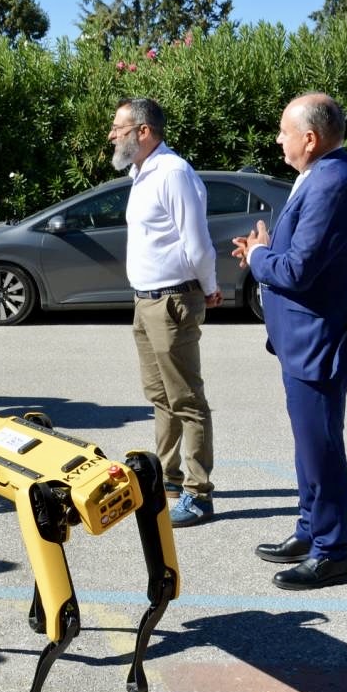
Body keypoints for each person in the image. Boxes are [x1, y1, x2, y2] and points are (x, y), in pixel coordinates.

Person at [233, 93, 347, 591]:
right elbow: (303, 255)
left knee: (321, 448)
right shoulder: (323, 175)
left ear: (310, 138)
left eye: (284, 131)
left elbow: (297, 270)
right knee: (308, 445)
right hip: (305, 339)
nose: (278, 139)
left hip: (319, 341)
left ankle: (331, 552)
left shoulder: (333, 182)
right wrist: (265, 250)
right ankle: (309, 529)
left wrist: (258, 258)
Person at [108, 97, 221, 528]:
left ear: (144, 131)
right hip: (147, 301)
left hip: (173, 301)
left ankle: (198, 493)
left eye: (119, 128)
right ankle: (168, 479)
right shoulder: (143, 173)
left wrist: (209, 290)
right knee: (160, 397)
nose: (112, 135)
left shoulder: (173, 174)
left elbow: (197, 243)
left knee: (186, 399)